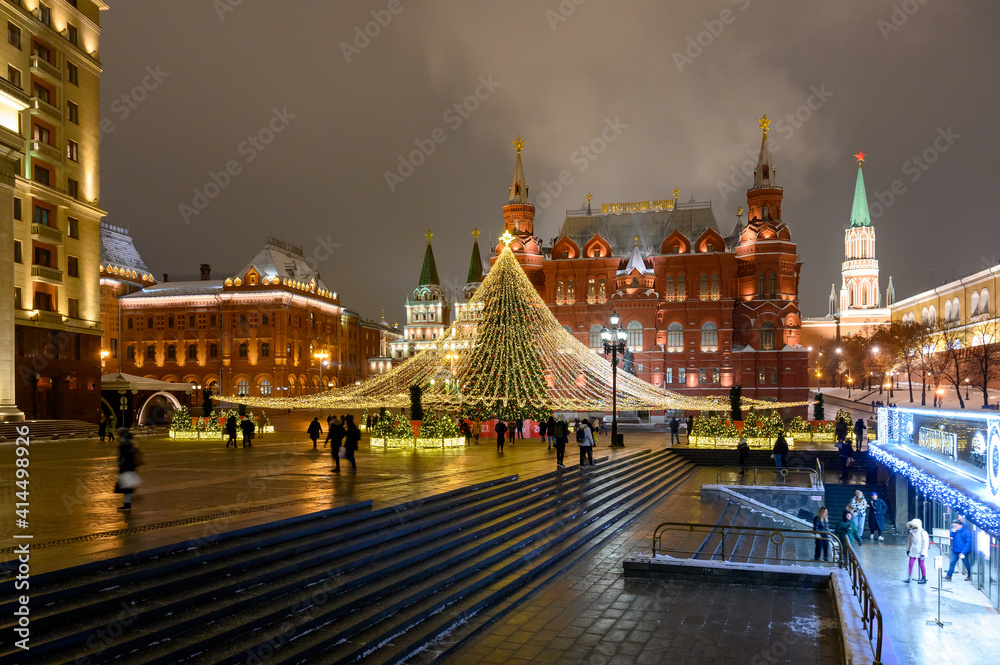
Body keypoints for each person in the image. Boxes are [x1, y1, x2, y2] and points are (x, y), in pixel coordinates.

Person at [115, 430, 142, 511]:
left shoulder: (125, 446)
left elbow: (123, 458)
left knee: (126, 487)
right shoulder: (129, 445)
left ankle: (127, 504)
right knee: (127, 487)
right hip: (129, 469)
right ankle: (127, 502)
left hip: (126, 469)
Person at [905, 518, 929, 583]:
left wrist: (923, 553)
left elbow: (925, 543)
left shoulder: (923, 532)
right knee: (910, 564)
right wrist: (908, 550)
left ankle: (924, 578)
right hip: (913, 550)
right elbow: (909, 542)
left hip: (920, 551)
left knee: (921, 565)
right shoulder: (911, 533)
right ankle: (909, 577)